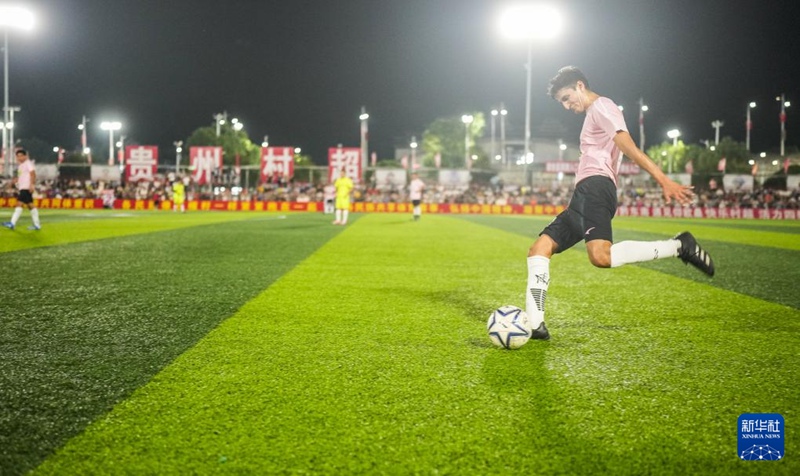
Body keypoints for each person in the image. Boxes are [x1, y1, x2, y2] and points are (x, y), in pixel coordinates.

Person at [525, 66, 715, 341]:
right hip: (583, 194)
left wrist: (663, 179)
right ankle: (534, 325)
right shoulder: (594, 113)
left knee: (601, 257)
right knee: (539, 249)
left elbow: (629, 147)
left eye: (567, 98)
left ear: (580, 85)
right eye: (562, 103)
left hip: (596, 187)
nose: (567, 106)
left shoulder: (602, 106)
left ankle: (680, 246)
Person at [3, 149, 42, 231]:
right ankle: (37, 225)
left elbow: (33, 174)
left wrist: (32, 184)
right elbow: (23, 176)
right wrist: (16, 181)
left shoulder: (28, 163)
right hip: (23, 187)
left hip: (26, 187)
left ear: (25, 156)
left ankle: (12, 223)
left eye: (21, 156)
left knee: (19, 204)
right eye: (18, 156)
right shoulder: (21, 165)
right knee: (30, 205)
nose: (19, 158)